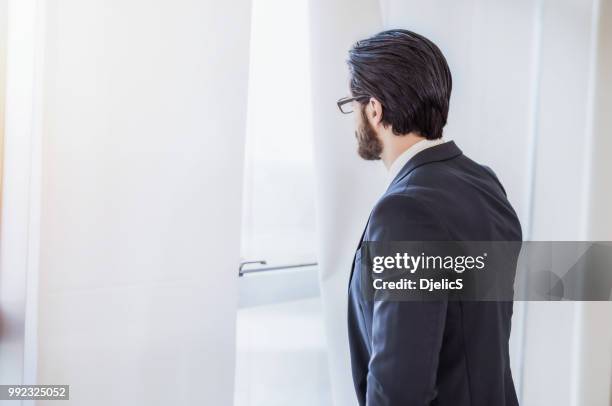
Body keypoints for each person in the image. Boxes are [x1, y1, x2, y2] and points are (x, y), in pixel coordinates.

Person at [339, 29, 522, 406]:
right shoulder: (483, 183)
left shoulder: (404, 213)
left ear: (374, 109)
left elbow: (400, 389)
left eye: (351, 105)